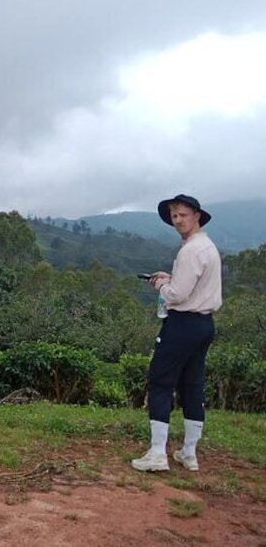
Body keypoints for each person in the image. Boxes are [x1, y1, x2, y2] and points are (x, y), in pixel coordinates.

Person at [131, 195, 222, 472]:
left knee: (160, 381)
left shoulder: (190, 251)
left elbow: (179, 296)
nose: (178, 220)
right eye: (174, 216)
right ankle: (189, 453)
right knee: (192, 385)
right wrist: (170, 279)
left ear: (197, 215)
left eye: (183, 214)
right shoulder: (206, 246)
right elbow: (193, 286)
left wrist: (161, 286)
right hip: (203, 325)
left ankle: (158, 453)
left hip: (181, 325)